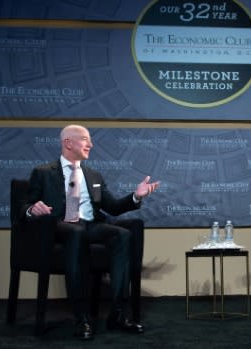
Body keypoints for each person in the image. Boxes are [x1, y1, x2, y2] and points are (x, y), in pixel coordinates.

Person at [24, 124, 160, 340]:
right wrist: (33, 209)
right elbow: (26, 205)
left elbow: (113, 206)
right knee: (75, 234)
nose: (91, 144)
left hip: (89, 225)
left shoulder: (93, 175)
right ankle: (82, 318)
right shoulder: (43, 173)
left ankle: (117, 314)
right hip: (59, 226)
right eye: (86, 139)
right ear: (68, 142)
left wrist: (136, 195)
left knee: (122, 235)